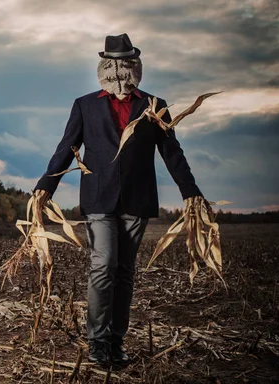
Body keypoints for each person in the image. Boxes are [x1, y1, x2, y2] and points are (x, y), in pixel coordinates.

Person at [33, 33, 203, 367]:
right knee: (103, 263)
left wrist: (190, 190)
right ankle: (97, 341)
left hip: (137, 200)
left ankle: (115, 340)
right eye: (113, 62)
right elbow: (67, 147)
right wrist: (45, 186)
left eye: (126, 61)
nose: (119, 69)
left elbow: (172, 152)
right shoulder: (85, 104)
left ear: (135, 64)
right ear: (104, 65)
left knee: (124, 271)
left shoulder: (155, 105)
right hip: (98, 198)